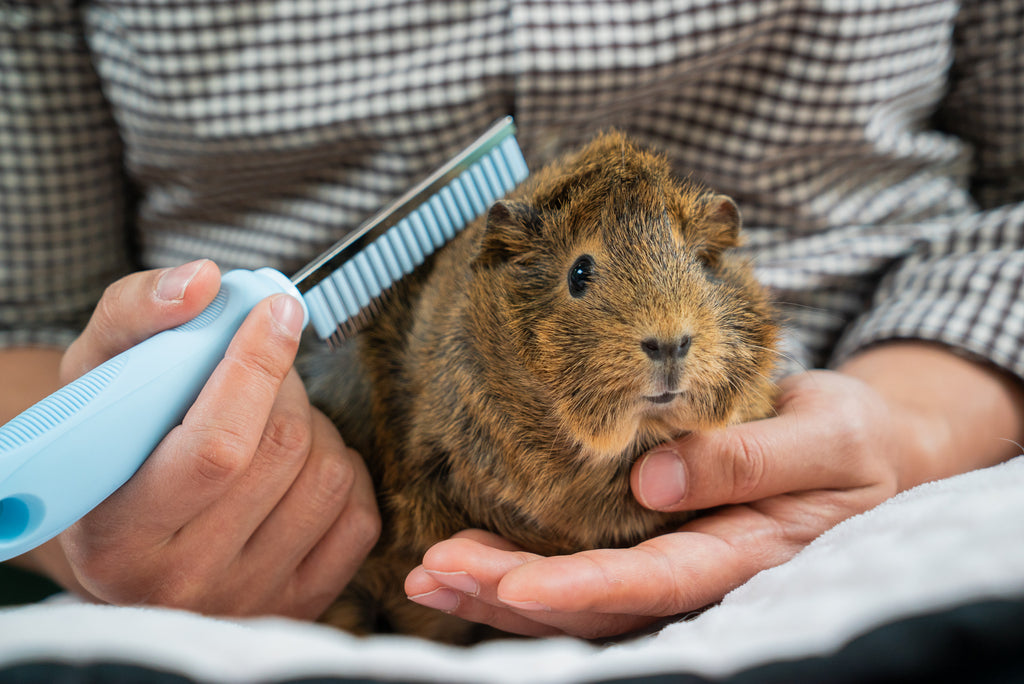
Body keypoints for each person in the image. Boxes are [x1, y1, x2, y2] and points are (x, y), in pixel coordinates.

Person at [2, 1, 1022, 638]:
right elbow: (25, 322)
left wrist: (920, 424)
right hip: (298, 580)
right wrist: (109, 539)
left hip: (871, 511)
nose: (663, 328)